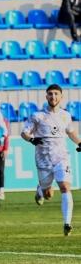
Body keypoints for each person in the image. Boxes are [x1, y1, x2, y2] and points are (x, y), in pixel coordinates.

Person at [22, 84, 81, 236]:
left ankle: (67, 223)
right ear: (46, 96)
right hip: (43, 159)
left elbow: (71, 132)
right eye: (50, 94)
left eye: (56, 94)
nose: (53, 96)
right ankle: (40, 191)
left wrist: (80, 143)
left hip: (62, 157)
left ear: (61, 96)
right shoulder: (38, 116)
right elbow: (24, 133)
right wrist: (32, 139)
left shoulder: (65, 115)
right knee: (48, 194)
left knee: (65, 187)